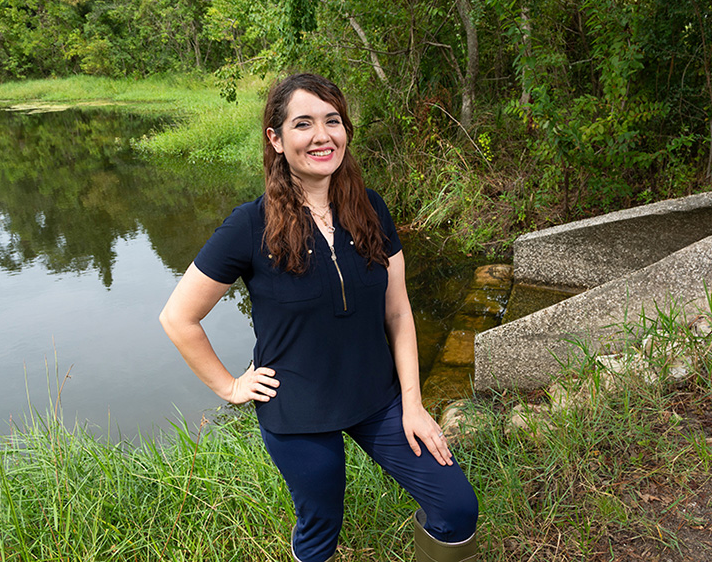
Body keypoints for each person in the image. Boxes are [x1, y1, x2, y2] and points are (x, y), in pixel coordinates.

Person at [159, 73, 479, 562]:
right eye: (303, 123)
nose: (321, 136)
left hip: (379, 398)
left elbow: (397, 310)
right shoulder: (249, 225)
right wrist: (230, 387)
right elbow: (178, 317)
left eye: (333, 121)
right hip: (299, 410)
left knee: (457, 509)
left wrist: (413, 403)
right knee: (321, 526)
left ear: (346, 131)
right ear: (277, 139)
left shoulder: (371, 209)